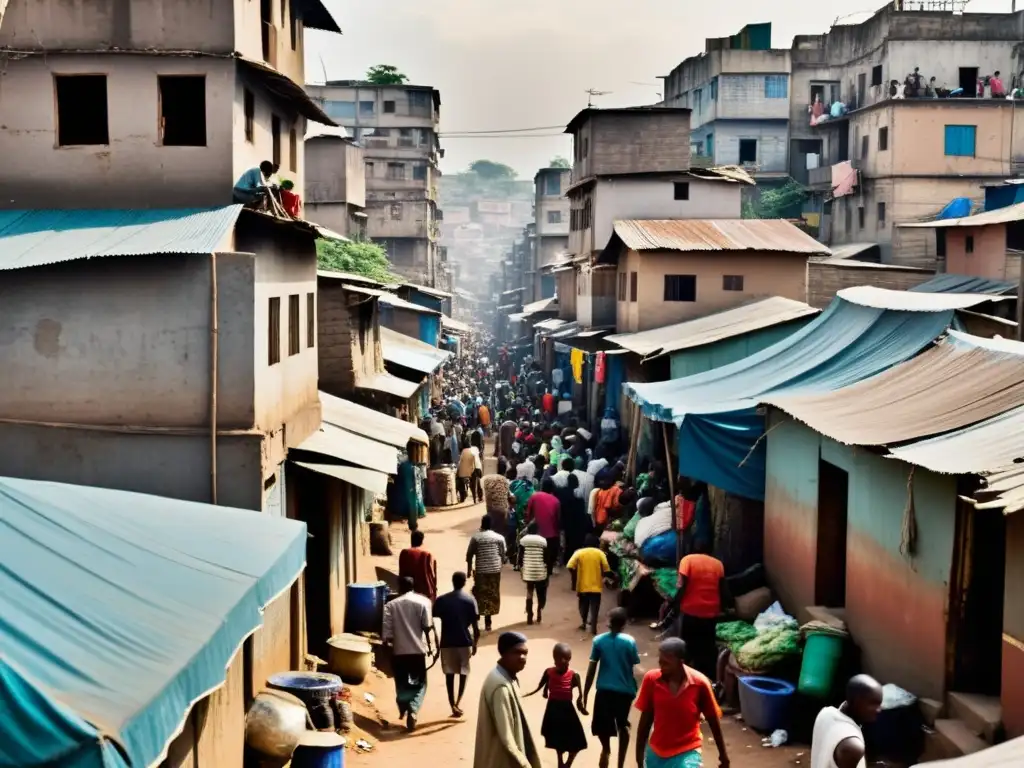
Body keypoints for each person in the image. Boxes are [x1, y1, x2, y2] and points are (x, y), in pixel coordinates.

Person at [635, 637, 730, 768]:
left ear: (681, 662)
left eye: (666, 663)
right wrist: (639, 757)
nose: (662, 667)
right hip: (657, 751)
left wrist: (723, 756)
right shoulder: (652, 680)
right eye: (660, 662)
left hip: (688, 750)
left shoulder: (699, 683)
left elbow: (713, 720)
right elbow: (645, 721)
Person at [474, 632, 541, 768]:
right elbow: (507, 738)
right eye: (517, 653)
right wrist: (525, 764)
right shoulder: (501, 686)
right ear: (504, 654)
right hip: (501, 760)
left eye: (525, 653)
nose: (522, 658)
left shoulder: (507, 678)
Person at [583, 608, 640, 768]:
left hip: (604, 690)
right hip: (625, 690)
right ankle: (620, 764)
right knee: (623, 725)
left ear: (608, 622)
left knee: (602, 726)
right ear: (624, 624)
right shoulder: (629, 641)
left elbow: (591, 669)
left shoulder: (599, 641)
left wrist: (585, 694)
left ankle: (606, 749)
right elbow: (635, 664)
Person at [381, 576, 435, 732]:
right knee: (420, 684)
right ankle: (413, 709)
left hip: (399, 652)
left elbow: (387, 635)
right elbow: (427, 625)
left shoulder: (390, 606)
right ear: (413, 587)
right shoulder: (424, 602)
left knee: (401, 681)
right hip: (418, 651)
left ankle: (403, 705)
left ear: (399, 587)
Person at [526, 643, 588, 768]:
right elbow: (543, 685)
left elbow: (580, 696)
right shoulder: (549, 672)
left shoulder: (574, 675)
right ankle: (560, 762)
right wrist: (541, 692)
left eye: (566, 658)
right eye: (560, 658)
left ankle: (568, 763)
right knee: (556, 739)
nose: (563, 661)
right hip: (553, 710)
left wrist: (581, 706)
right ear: (554, 658)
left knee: (578, 740)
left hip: (567, 711)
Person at [675, 539, 729, 678]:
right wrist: (725, 607)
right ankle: (707, 677)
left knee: (687, 643)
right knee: (707, 645)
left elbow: (682, 585)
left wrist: (675, 604)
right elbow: (723, 589)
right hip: (711, 611)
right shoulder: (718, 564)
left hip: (690, 609)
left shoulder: (687, 560)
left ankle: (685, 673)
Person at [433, 572, 480, 718]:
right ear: (464, 582)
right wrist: (475, 644)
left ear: (452, 581)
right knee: (464, 672)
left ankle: (452, 702)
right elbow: (476, 627)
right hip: (464, 641)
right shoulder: (470, 600)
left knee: (449, 673)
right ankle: (458, 702)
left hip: (447, 641)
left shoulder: (442, 600)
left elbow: (433, 616)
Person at [811, 675, 883, 768]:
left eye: (879, 703)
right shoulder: (853, 746)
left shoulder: (826, 713)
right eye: (873, 703)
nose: (879, 710)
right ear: (857, 702)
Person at [466, 514, 506, 631]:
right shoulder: (499, 538)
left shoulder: (476, 537)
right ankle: (488, 622)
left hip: (481, 570)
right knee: (492, 594)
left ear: (482, 524)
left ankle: (477, 614)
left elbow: (469, 555)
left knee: (479, 592)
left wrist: (469, 570)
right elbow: (503, 555)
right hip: (495, 570)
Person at [567, 534, 611, 634]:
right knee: (595, 607)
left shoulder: (579, 552)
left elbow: (569, 566)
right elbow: (606, 568)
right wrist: (603, 577)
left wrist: (575, 577)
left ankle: (583, 623)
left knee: (583, 605)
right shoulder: (600, 553)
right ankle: (593, 627)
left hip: (582, 585)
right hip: (596, 586)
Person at [526, 476, 561, 575]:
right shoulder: (556, 501)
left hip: (536, 532)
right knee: (549, 553)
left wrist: (528, 525)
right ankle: (549, 570)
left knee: (535, 552)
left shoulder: (534, 496)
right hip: (551, 533)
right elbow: (558, 519)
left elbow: (528, 513)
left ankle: (534, 570)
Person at [518, 521, 549, 625]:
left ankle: (529, 615)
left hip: (528, 571)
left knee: (529, 591)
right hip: (540, 571)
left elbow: (520, 556)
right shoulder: (543, 541)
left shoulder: (523, 540)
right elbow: (546, 557)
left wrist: (521, 567)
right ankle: (539, 612)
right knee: (540, 592)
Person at [398, 529, 438, 604]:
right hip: (425, 592)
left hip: (408, 591)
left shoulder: (405, 552)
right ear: (422, 541)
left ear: (411, 540)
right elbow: (433, 576)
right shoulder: (427, 554)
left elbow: (401, 573)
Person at [482, 465, 514, 539]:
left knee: (492, 531)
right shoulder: (505, 480)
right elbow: (511, 497)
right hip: (502, 511)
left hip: (491, 510)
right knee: (503, 533)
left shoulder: (487, 479)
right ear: (504, 472)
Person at [458, 439, 481, 504]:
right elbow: (476, 462)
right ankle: (477, 497)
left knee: (459, 482)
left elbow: (460, 462)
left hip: (462, 473)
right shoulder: (474, 450)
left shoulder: (462, 452)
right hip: (472, 471)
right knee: (476, 482)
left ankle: (462, 497)